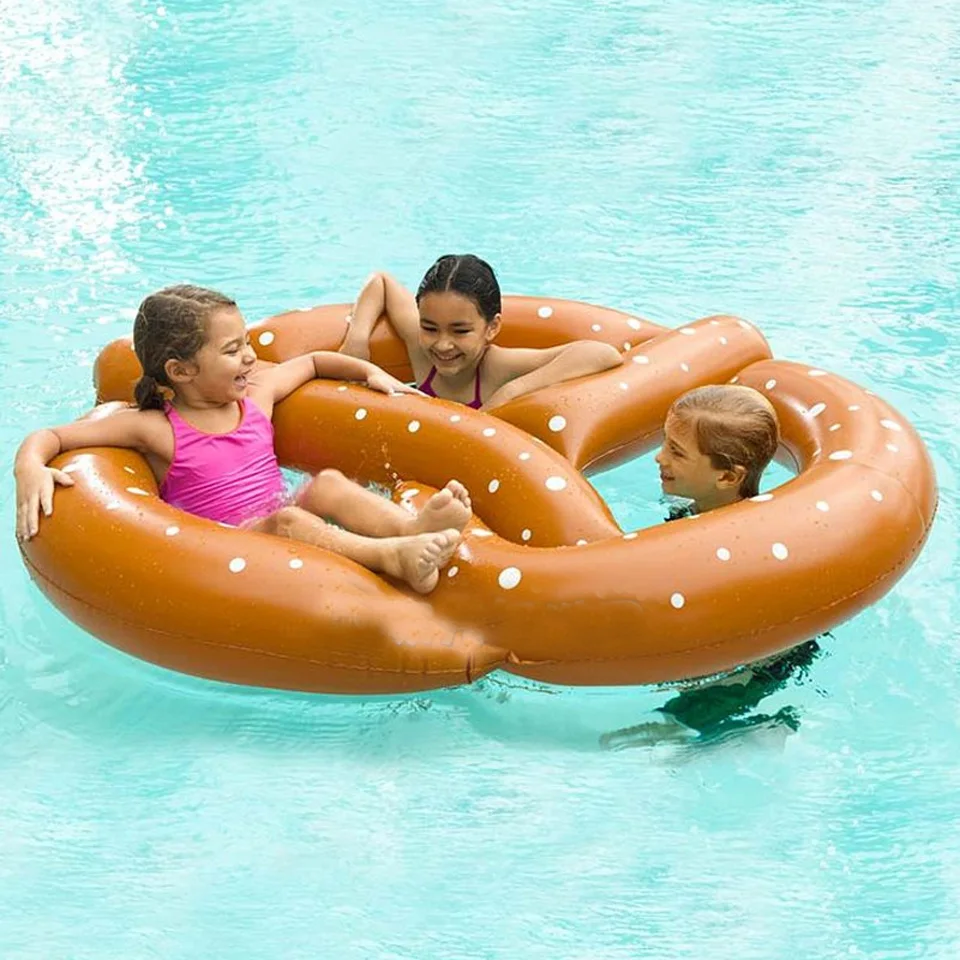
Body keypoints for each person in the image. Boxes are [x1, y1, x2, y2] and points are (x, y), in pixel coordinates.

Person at [14, 285, 472, 595]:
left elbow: (313, 363)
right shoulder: (156, 428)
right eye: (233, 350)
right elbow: (51, 436)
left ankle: (411, 531)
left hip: (278, 512)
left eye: (247, 343)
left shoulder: (256, 399)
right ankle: (391, 557)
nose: (251, 358)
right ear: (181, 371)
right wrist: (30, 468)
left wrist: (371, 372)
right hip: (232, 547)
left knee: (328, 483)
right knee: (289, 520)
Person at [601, 385, 822, 749]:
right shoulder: (690, 511)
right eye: (664, 442)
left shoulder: (747, 547)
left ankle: (756, 727)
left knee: (694, 714)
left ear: (728, 477)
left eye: (676, 451)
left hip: (764, 664)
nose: (658, 457)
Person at [338, 254, 623, 409]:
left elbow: (601, 353)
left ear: (492, 327)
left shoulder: (497, 366)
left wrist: (512, 390)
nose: (442, 344)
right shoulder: (420, 346)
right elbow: (381, 281)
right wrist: (357, 342)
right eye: (430, 327)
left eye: (460, 331)